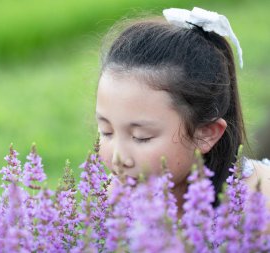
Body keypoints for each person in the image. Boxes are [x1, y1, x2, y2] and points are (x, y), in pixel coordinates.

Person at [95, 7, 270, 217]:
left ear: (206, 133)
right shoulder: (115, 198)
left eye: (141, 137)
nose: (118, 158)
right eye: (106, 131)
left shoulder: (258, 207)